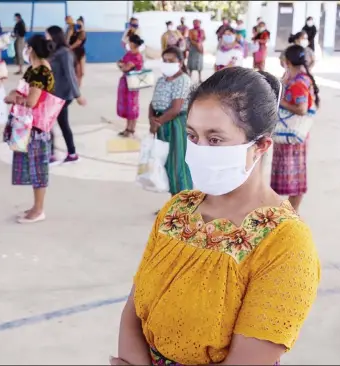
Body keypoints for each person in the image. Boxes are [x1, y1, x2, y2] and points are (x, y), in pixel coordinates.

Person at [112, 67, 320, 366]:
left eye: (215, 139)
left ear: (260, 146)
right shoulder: (177, 211)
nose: (198, 150)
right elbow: (133, 313)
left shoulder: (286, 243)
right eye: (192, 136)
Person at [4, 35, 56, 224]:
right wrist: (14, 94)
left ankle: (39, 209)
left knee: (38, 167)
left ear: (31, 49)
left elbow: (32, 101)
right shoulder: (33, 69)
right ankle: (35, 205)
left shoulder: (41, 71)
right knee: (32, 166)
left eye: (26, 47)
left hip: (36, 126)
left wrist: (14, 99)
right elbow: (21, 91)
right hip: (28, 124)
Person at [272, 45, 320, 212]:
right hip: (291, 136)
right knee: (293, 177)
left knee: (294, 178)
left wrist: (279, 101)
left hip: (292, 137)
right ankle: (291, 212)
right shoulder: (299, 78)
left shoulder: (299, 82)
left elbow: (301, 108)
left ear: (287, 61)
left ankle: (293, 212)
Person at [149, 47, 193, 198]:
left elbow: (175, 108)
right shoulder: (161, 80)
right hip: (161, 124)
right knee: (166, 163)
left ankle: (185, 204)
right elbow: (153, 103)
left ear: (180, 63)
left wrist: (157, 122)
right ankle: (173, 202)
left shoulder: (183, 80)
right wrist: (151, 121)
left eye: (171, 61)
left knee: (178, 163)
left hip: (175, 125)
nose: (167, 63)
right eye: (165, 60)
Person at [46, 25, 87, 164]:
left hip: (62, 95)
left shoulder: (64, 53)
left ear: (54, 36)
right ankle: (71, 153)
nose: (46, 37)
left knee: (48, 123)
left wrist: (78, 95)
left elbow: (70, 75)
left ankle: (52, 153)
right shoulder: (54, 51)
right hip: (55, 93)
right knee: (62, 124)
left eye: (47, 35)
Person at [116, 34, 144, 138]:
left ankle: (132, 129)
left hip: (133, 83)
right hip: (125, 82)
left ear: (132, 43)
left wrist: (121, 65)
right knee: (127, 106)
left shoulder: (137, 56)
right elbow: (122, 64)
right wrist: (122, 65)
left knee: (132, 106)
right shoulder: (129, 54)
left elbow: (124, 67)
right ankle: (127, 128)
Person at [68, 16, 87, 87]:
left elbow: (79, 42)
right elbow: (67, 41)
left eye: (80, 24)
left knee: (82, 73)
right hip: (74, 53)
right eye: (77, 24)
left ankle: (78, 87)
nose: (78, 26)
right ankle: (75, 88)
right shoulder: (72, 32)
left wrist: (70, 47)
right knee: (77, 72)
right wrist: (70, 33)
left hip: (81, 52)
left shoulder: (83, 32)